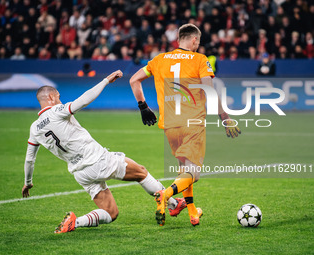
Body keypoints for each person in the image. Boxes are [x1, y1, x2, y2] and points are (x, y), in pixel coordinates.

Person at [22, 70, 186, 234]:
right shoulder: (57, 111)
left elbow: (30, 159)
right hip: (97, 160)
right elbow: (83, 100)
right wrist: (106, 81)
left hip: (80, 172)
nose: (60, 99)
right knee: (141, 172)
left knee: (111, 213)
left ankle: (75, 222)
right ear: (51, 97)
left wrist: (28, 182)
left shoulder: (34, 128)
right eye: (58, 96)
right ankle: (173, 205)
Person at [129, 24, 241, 227]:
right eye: (198, 42)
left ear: (178, 39)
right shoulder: (200, 59)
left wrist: (143, 107)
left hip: (171, 126)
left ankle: (192, 213)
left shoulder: (159, 60)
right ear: (194, 40)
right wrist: (224, 116)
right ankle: (165, 194)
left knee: (185, 172)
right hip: (193, 123)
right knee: (193, 174)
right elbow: (209, 90)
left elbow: (134, 80)